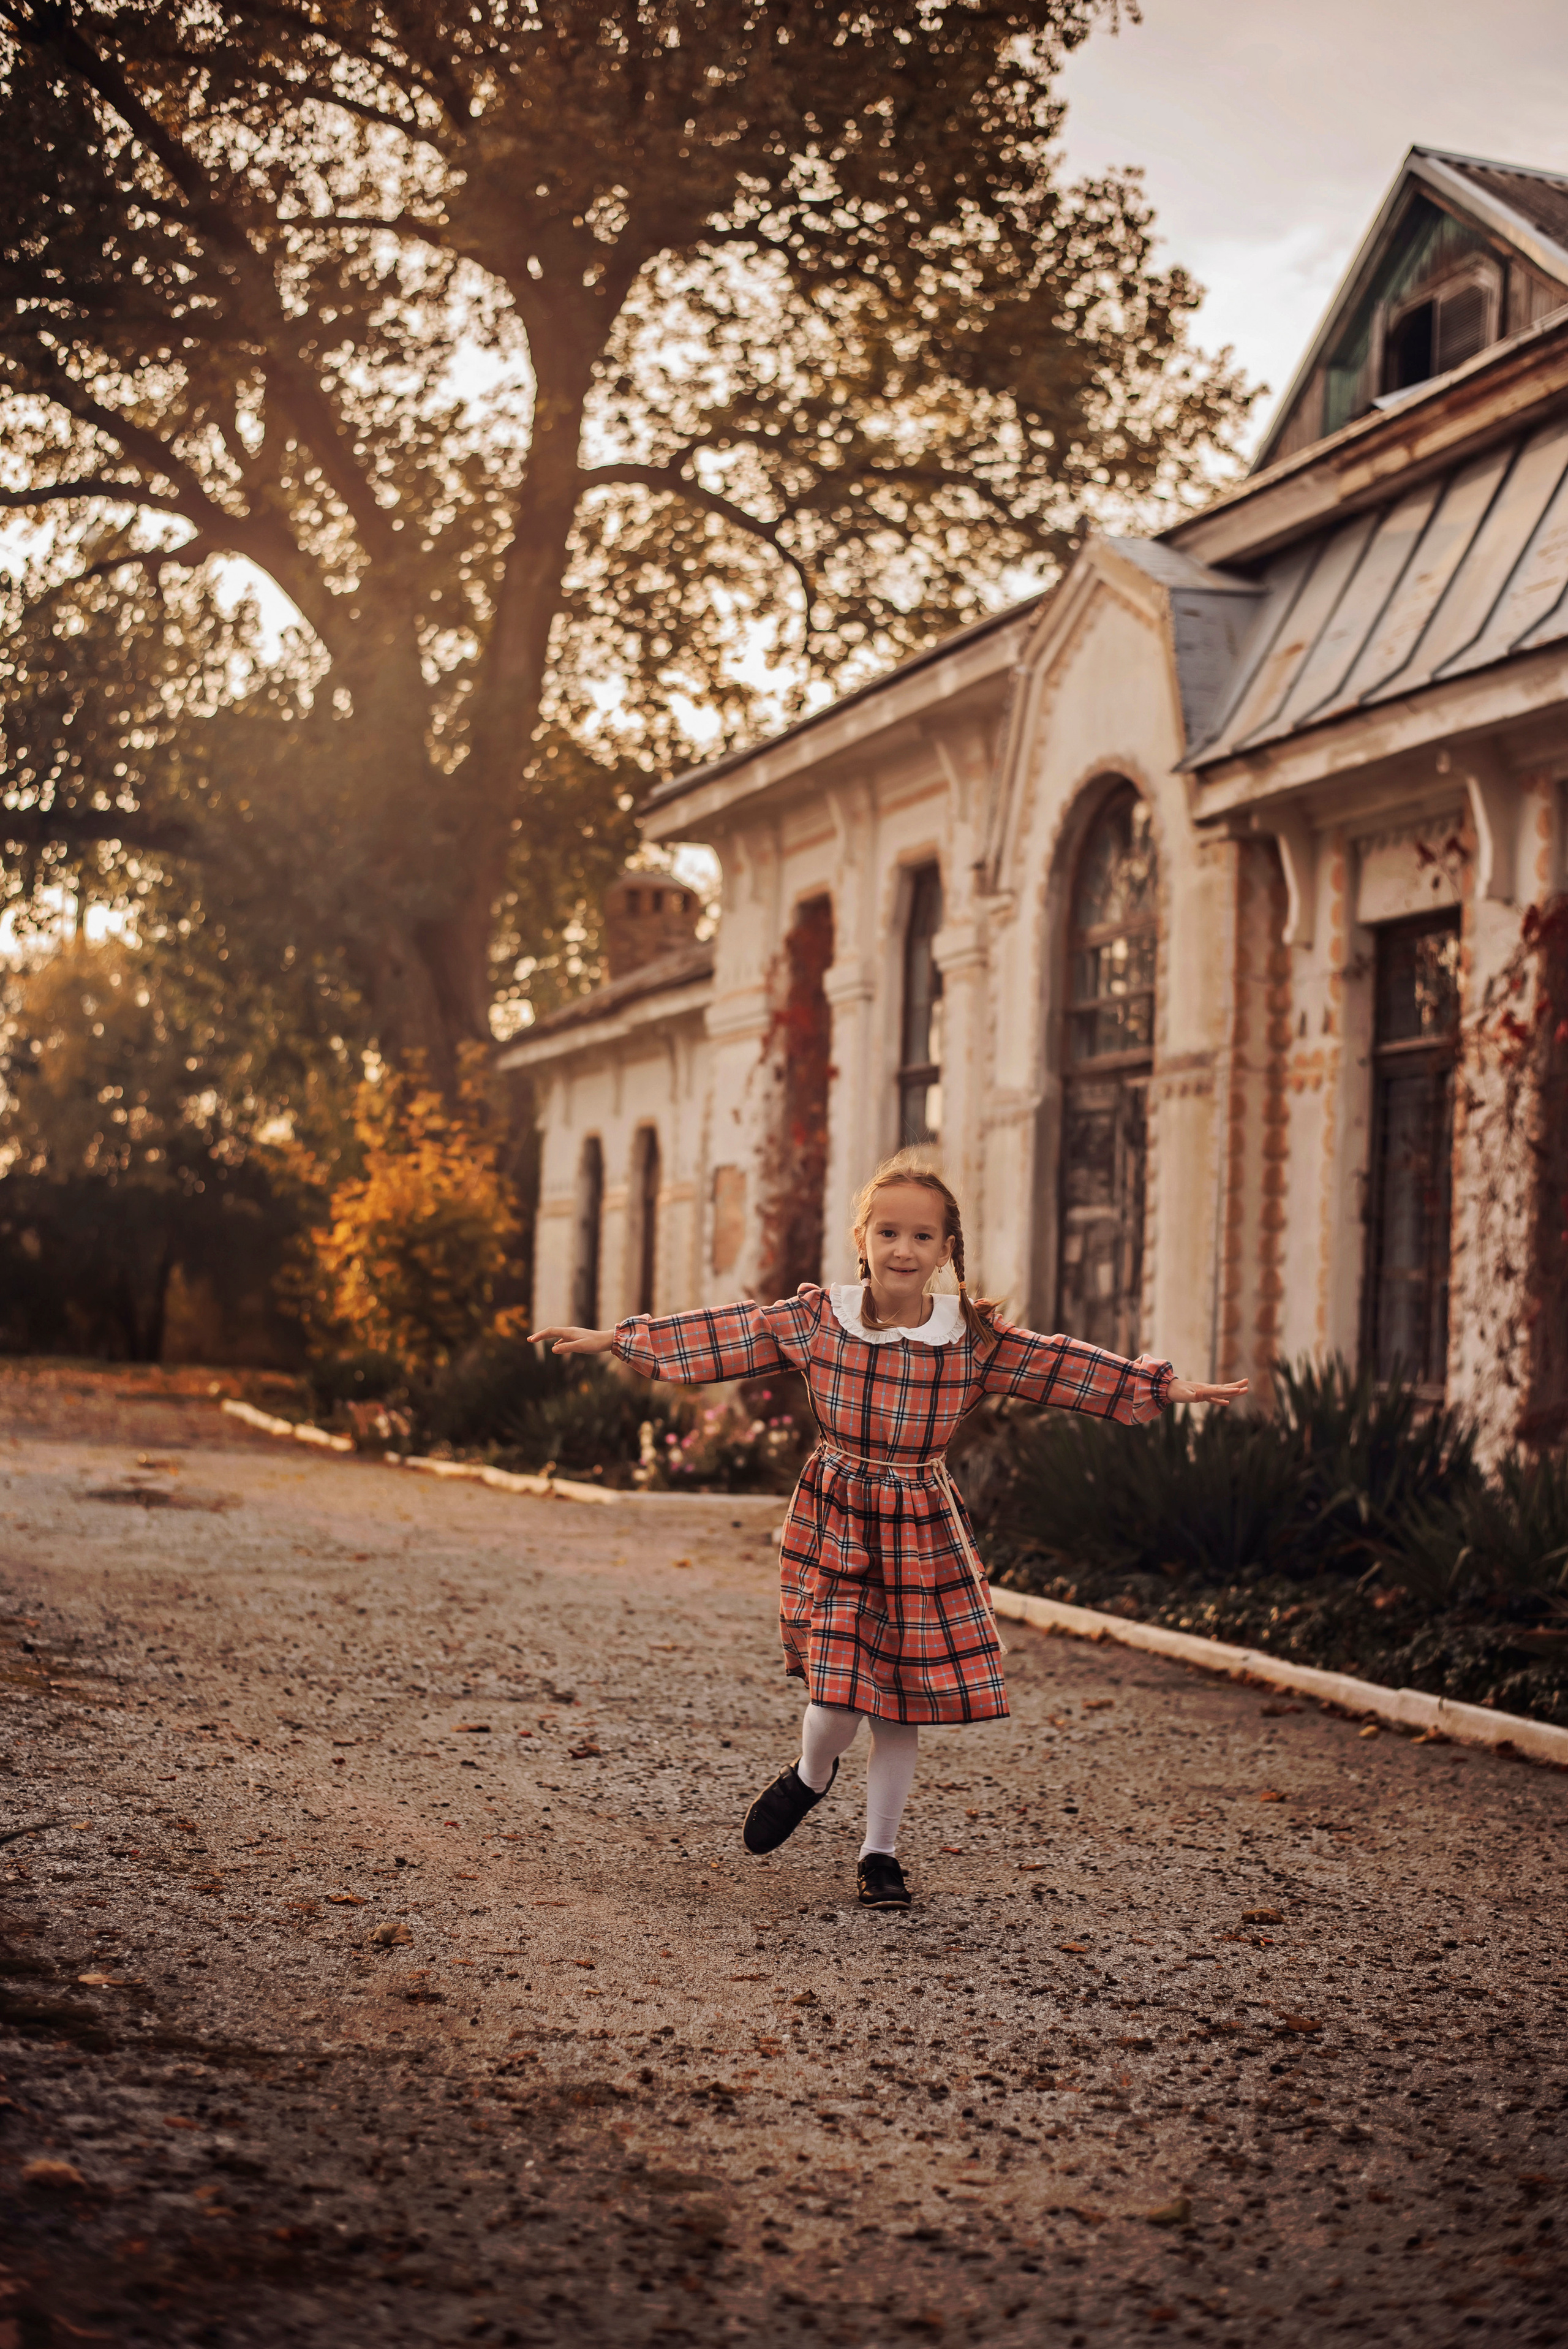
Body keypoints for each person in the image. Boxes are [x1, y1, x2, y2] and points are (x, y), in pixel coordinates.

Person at [530, 1151, 1246, 1911]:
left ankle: (880, 1856)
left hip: (920, 1525)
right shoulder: (816, 1319)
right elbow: (726, 1334)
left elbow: (1061, 1366)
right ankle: (811, 1773)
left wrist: (1162, 1386)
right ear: (862, 1238)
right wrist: (621, 1339)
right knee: (837, 1695)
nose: (904, 1249)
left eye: (923, 1237)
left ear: (946, 1251)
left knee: (899, 1702)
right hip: (836, 1516)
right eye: (889, 1232)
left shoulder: (970, 1337)